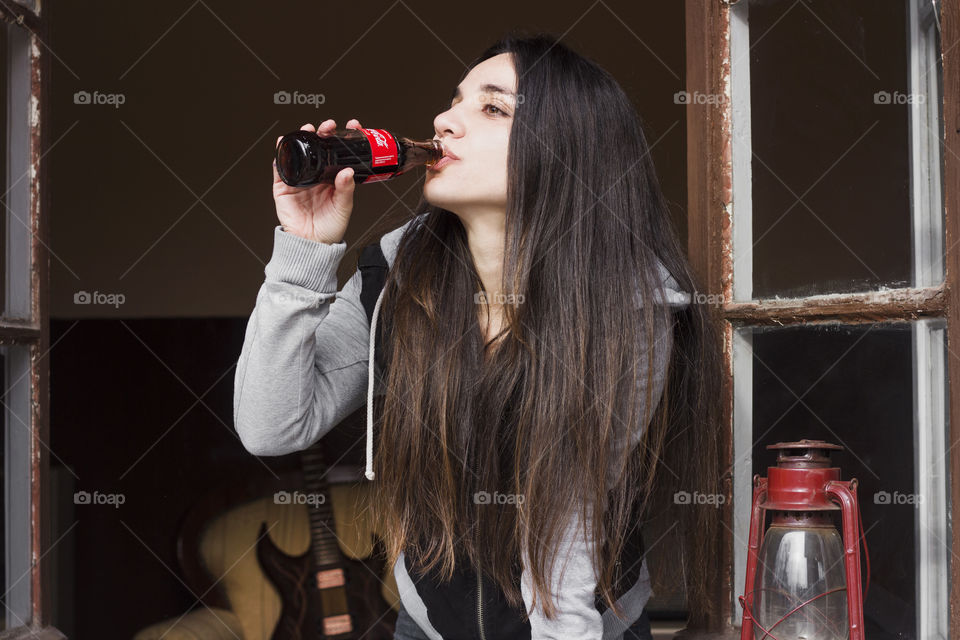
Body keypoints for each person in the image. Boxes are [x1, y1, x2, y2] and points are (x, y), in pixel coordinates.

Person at [234, 31, 722, 640]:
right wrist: (303, 249)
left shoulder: (629, 308)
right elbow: (271, 426)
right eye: (455, 100)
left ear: (566, 150)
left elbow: (568, 532)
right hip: (427, 627)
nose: (444, 120)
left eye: (491, 107)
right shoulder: (397, 273)